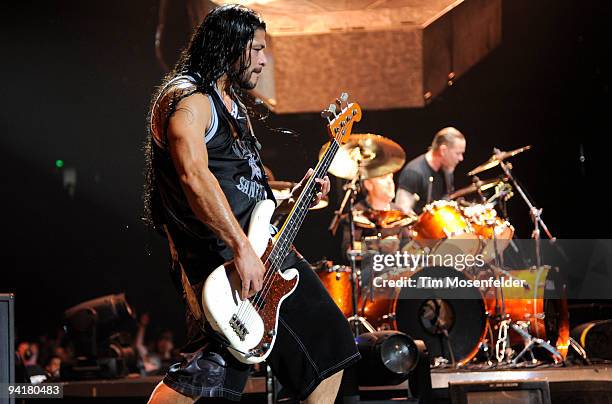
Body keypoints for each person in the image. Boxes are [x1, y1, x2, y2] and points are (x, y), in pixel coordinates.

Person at [144, 5, 359, 403]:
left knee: (329, 348)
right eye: (257, 49)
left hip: (264, 252)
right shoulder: (189, 99)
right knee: (208, 377)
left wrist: (293, 197)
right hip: (222, 259)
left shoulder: (232, 105)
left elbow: (238, 188)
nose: (264, 60)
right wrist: (242, 248)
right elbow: (195, 176)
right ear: (230, 46)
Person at [395, 127, 466, 214]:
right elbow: (402, 212)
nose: (461, 158)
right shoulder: (413, 172)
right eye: (458, 153)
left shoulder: (447, 168)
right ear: (443, 150)